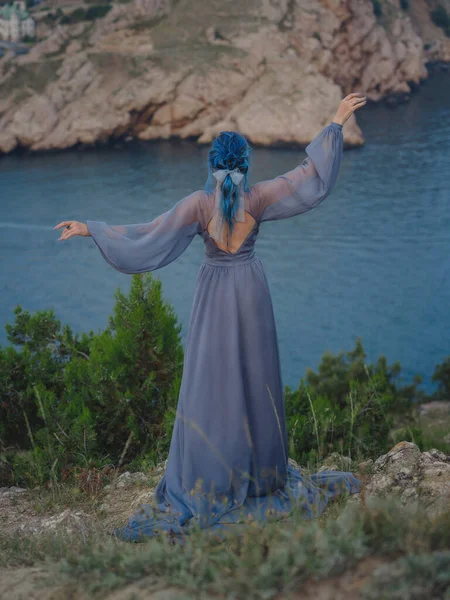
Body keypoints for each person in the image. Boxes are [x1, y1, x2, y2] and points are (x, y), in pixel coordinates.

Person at [54, 92, 367, 544]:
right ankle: (258, 475)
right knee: (256, 378)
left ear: (212, 165)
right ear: (245, 164)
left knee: (211, 382)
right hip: (251, 292)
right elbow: (309, 178)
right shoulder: (258, 198)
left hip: (214, 294)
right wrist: (335, 123)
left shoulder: (198, 206)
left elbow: (147, 235)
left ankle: (213, 474)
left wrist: (91, 229)